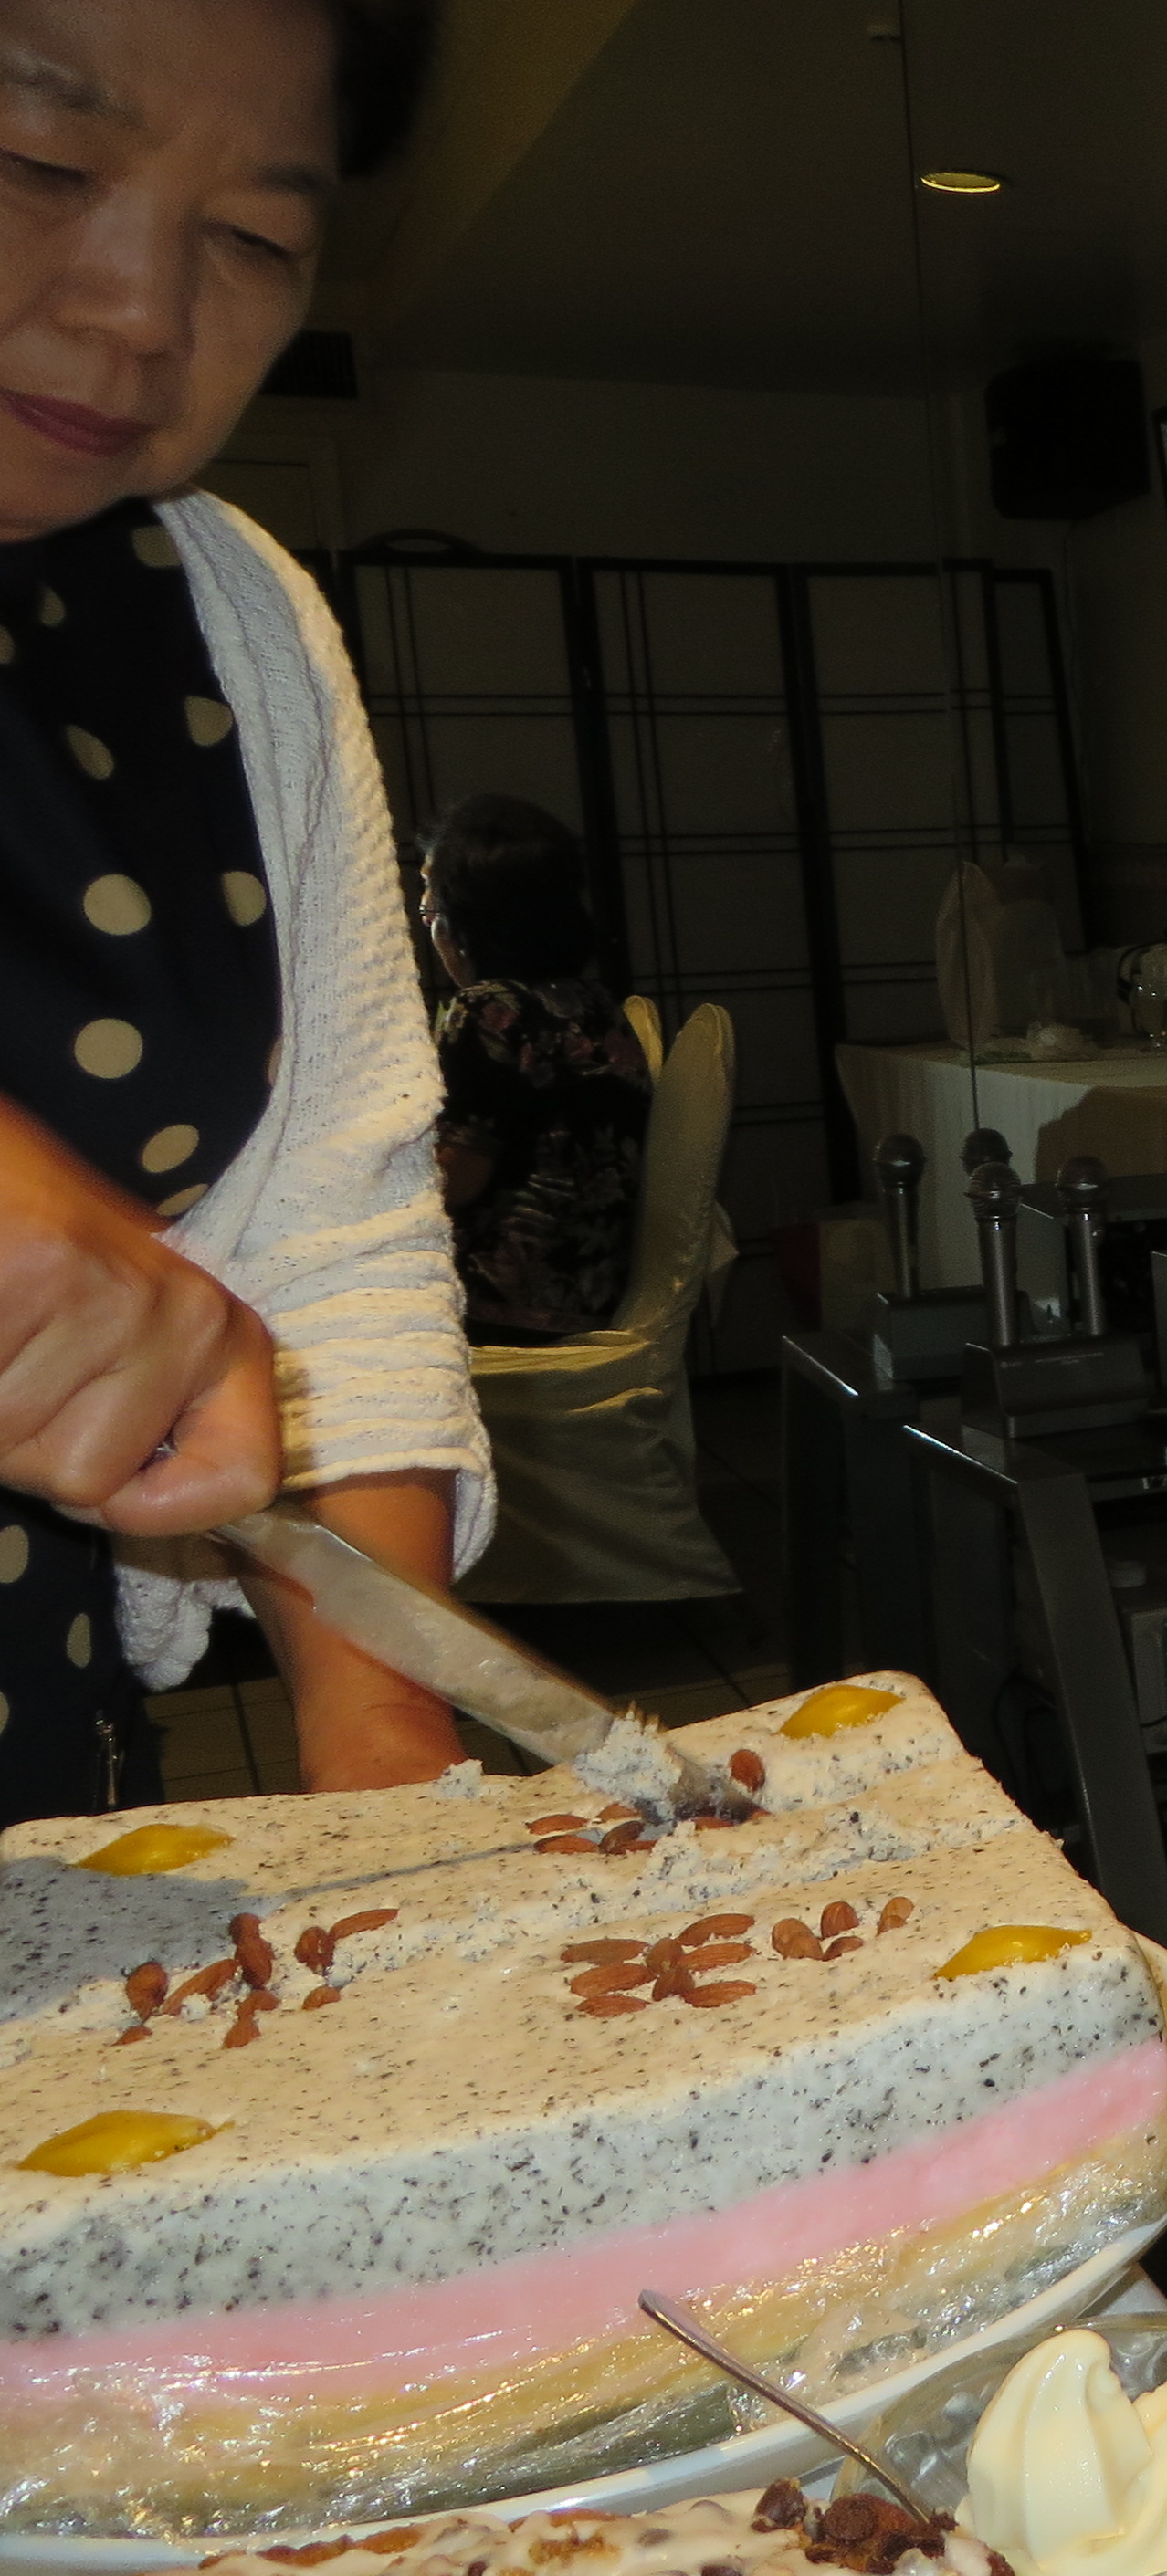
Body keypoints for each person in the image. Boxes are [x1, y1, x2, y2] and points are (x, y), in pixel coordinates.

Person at [0, 0, 484, 1827]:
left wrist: (392, 1776)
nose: (141, 311)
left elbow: (331, 1242)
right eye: (37, 160)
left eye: (255, 240)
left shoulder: (227, 616)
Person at [424, 793, 650, 1345]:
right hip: (595, 1285)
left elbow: (457, 1179)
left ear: (467, 922)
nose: (429, 921)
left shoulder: (487, 1011)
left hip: (504, 1301)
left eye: (431, 905)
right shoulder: (594, 1003)